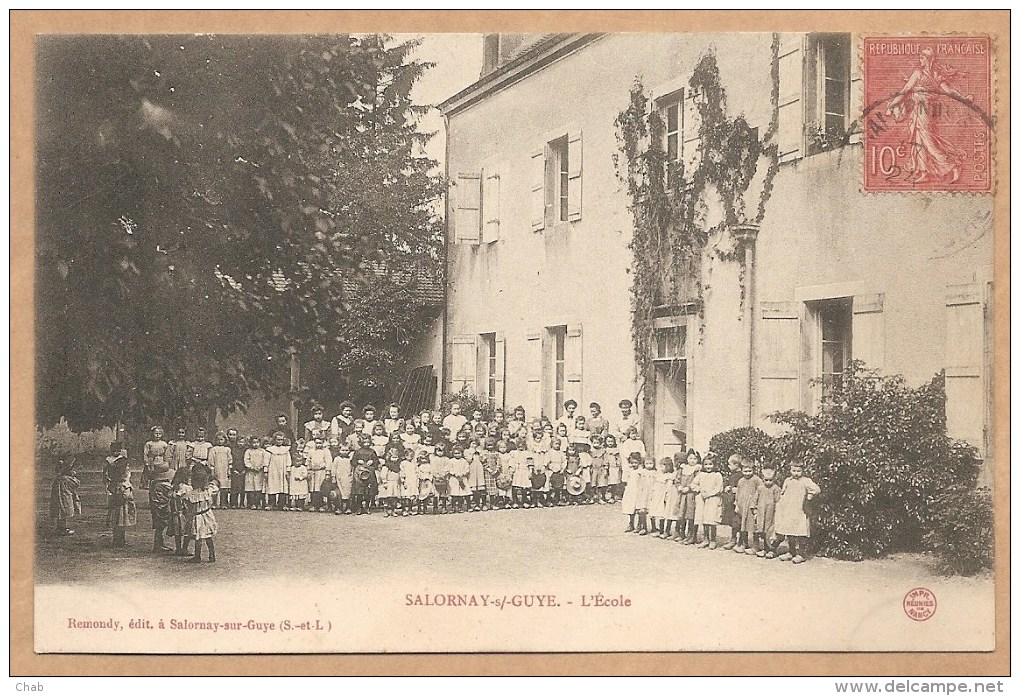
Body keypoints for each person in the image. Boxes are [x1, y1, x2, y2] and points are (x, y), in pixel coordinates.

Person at [885, 47, 969, 185]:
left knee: (928, 141)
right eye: (920, 57)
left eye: (923, 57)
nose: (920, 59)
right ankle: (924, 173)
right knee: (918, 141)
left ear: (930, 59)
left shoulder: (923, 74)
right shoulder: (929, 74)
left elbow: (948, 91)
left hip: (924, 110)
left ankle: (952, 166)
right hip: (919, 109)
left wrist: (963, 98)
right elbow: (906, 90)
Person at [774, 461, 822, 564]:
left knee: (801, 532)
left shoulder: (805, 481)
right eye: (794, 470)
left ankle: (801, 554)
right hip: (789, 509)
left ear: (802, 471)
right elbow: (783, 493)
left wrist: (809, 497)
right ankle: (791, 552)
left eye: (798, 471)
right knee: (789, 531)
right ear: (790, 470)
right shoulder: (788, 480)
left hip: (800, 510)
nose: (796, 473)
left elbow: (817, 489)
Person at [103, 441, 136, 547]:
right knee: (116, 514)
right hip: (116, 488)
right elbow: (106, 475)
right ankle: (116, 538)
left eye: (118, 450)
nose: (116, 452)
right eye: (114, 450)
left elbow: (126, 475)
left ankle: (121, 538)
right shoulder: (109, 461)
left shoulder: (123, 461)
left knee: (123, 515)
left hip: (121, 487)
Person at [185, 465, 218, 563]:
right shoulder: (208, 491)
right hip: (207, 515)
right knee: (208, 536)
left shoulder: (191, 494)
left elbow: (188, 505)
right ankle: (212, 555)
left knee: (198, 537)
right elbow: (215, 487)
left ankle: (197, 556)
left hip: (198, 516)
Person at [692, 453, 724, 550]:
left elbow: (718, 488)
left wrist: (709, 494)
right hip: (703, 499)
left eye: (710, 464)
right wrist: (700, 490)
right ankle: (706, 539)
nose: (708, 466)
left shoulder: (717, 475)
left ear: (714, 465)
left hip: (713, 499)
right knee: (704, 520)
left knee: (712, 520)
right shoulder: (701, 475)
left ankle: (713, 540)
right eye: (706, 464)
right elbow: (693, 484)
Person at [733, 461, 764, 554]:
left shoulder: (757, 480)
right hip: (743, 506)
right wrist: (737, 504)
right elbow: (738, 493)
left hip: (752, 507)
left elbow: (760, 492)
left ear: (753, 470)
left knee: (753, 526)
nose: (747, 473)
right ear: (742, 471)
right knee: (743, 526)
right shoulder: (741, 481)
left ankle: (755, 546)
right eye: (745, 471)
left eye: (749, 471)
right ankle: (743, 544)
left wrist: (757, 505)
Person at [49, 457, 82, 537]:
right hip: (65, 498)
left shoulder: (58, 479)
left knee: (60, 513)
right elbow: (76, 484)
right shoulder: (67, 479)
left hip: (59, 498)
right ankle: (62, 529)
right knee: (64, 513)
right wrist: (73, 476)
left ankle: (60, 528)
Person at [754, 467, 783, 558]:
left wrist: (777, 513)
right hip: (761, 513)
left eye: (771, 480)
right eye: (766, 480)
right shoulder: (760, 488)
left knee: (770, 532)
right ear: (763, 479)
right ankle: (765, 549)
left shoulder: (776, 489)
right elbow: (755, 499)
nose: (768, 482)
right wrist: (754, 509)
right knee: (762, 531)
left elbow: (778, 502)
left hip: (771, 514)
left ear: (774, 479)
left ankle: (772, 550)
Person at [675, 449, 702, 544]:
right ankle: (682, 534)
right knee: (682, 514)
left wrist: (689, 488)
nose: (692, 460)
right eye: (690, 458)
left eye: (695, 459)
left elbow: (698, 481)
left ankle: (692, 536)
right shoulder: (683, 469)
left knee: (691, 515)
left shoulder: (697, 470)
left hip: (692, 495)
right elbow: (677, 479)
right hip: (683, 495)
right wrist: (679, 486)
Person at [148, 458, 175, 553]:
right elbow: (163, 498)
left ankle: (160, 543)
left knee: (159, 526)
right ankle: (157, 544)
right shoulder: (163, 485)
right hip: (161, 507)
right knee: (161, 525)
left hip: (156, 506)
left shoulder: (154, 483)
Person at [351, 433, 380, 515]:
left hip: (370, 472)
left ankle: (367, 507)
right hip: (359, 472)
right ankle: (359, 507)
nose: (366, 444)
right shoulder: (358, 451)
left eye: (368, 442)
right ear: (361, 442)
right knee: (359, 491)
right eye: (364, 442)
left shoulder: (372, 451)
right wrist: (357, 461)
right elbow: (352, 462)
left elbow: (377, 462)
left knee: (369, 491)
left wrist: (373, 461)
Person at [720, 453, 744, 550]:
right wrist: (727, 487)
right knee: (733, 521)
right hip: (731, 501)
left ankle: (740, 541)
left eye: (730, 464)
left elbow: (743, 487)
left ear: (736, 465)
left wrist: (737, 489)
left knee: (738, 521)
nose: (728, 466)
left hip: (738, 501)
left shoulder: (741, 475)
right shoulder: (732, 475)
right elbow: (730, 484)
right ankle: (733, 539)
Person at [168, 467, 192, 556]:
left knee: (177, 531)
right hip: (184, 512)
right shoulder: (187, 488)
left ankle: (178, 548)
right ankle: (184, 548)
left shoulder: (173, 487)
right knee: (188, 530)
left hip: (175, 512)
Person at [265, 431, 292, 510]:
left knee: (282, 486)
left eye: (281, 440)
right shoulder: (270, 450)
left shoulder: (286, 450)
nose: (279, 441)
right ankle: (271, 503)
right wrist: (266, 471)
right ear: (274, 440)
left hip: (282, 470)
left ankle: (281, 504)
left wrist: (288, 470)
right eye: (278, 440)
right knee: (272, 486)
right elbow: (266, 461)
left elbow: (288, 460)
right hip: (273, 470)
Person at [208, 432, 233, 509]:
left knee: (224, 488)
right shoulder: (213, 449)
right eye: (218, 440)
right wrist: (212, 470)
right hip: (217, 470)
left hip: (224, 471)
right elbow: (211, 460)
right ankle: (214, 503)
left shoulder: (227, 449)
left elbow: (230, 460)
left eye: (222, 439)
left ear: (225, 440)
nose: (220, 441)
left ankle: (223, 503)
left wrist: (229, 470)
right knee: (215, 487)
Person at [244, 436, 267, 510]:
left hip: (260, 472)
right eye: (254, 443)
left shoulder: (262, 451)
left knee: (259, 488)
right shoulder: (248, 451)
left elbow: (265, 460)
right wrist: (251, 467)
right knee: (251, 488)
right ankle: (252, 503)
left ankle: (258, 503)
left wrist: (261, 466)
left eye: (257, 442)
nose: (255, 444)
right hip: (251, 472)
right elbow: (246, 460)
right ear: (250, 443)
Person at [330, 441, 354, 515]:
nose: (344, 452)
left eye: (346, 450)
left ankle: (348, 508)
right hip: (339, 478)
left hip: (348, 478)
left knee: (348, 493)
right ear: (339, 450)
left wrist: (352, 476)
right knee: (339, 493)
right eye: (342, 450)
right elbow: (333, 468)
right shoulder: (337, 459)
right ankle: (339, 508)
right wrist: (333, 477)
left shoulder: (350, 459)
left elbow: (352, 468)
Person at [226, 429, 247, 509]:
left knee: (242, 488)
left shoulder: (245, 450)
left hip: (243, 470)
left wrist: (245, 469)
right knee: (234, 488)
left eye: (242, 442)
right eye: (239, 442)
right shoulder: (232, 448)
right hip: (234, 470)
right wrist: (233, 469)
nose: (240, 444)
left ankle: (241, 503)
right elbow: (231, 459)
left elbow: (246, 459)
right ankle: (233, 503)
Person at [546, 437, 566, 507]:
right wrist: (550, 468)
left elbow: (564, 461)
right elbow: (547, 462)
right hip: (552, 471)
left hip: (559, 470)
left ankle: (557, 500)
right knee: (551, 486)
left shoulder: (561, 453)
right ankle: (548, 500)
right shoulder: (550, 452)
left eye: (559, 444)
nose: (557, 446)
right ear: (552, 444)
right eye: (556, 444)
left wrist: (562, 469)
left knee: (558, 486)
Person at [399, 447, 419, 516]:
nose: (410, 457)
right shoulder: (403, 463)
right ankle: (404, 509)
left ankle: (410, 509)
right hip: (407, 481)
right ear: (405, 456)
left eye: (412, 456)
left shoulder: (414, 463)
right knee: (405, 496)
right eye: (408, 456)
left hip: (413, 481)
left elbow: (417, 472)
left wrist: (417, 480)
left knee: (412, 496)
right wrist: (403, 480)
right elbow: (402, 472)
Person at [481, 438, 500, 510]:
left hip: (494, 473)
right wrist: (488, 469)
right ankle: (484, 504)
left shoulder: (496, 453)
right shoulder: (484, 453)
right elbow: (483, 462)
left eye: (491, 445)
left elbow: (498, 462)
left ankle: (493, 504)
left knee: (493, 489)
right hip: (486, 473)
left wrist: (496, 470)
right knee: (484, 489)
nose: (490, 447)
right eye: (488, 445)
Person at [604, 434, 622, 503]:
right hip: (608, 468)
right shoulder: (605, 450)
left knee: (615, 482)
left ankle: (613, 496)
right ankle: (607, 496)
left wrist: (618, 464)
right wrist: (606, 466)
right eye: (608, 441)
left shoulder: (616, 450)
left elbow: (618, 458)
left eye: (611, 441)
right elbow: (605, 459)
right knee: (608, 482)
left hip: (615, 468)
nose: (610, 443)